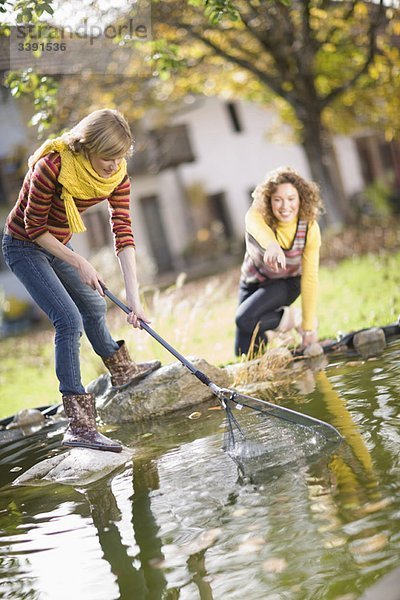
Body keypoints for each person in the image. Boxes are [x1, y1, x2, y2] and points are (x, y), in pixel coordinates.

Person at [2, 109, 161, 453]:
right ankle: (79, 425)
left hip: (57, 242)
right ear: (87, 147)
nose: (114, 164)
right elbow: (33, 228)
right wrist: (79, 261)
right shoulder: (52, 167)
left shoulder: (117, 175)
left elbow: (123, 233)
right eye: (107, 156)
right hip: (24, 245)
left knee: (91, 303)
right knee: (68, 319)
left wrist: (135, 299)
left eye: (120, 156)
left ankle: (122, 371)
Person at [235, 166, 324, 356]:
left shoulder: (309, 228)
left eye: (291, 199)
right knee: (245, 354)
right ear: (269, 200)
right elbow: (255, 225)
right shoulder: (256, 216)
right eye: (278, 200)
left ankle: (293, 319)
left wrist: (308, 328)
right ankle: (276, 331)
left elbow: (310, 278)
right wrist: (272, 245)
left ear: (301, 199)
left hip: (286, 283)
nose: (285, 206)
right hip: (252, 282)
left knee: (244, 320)